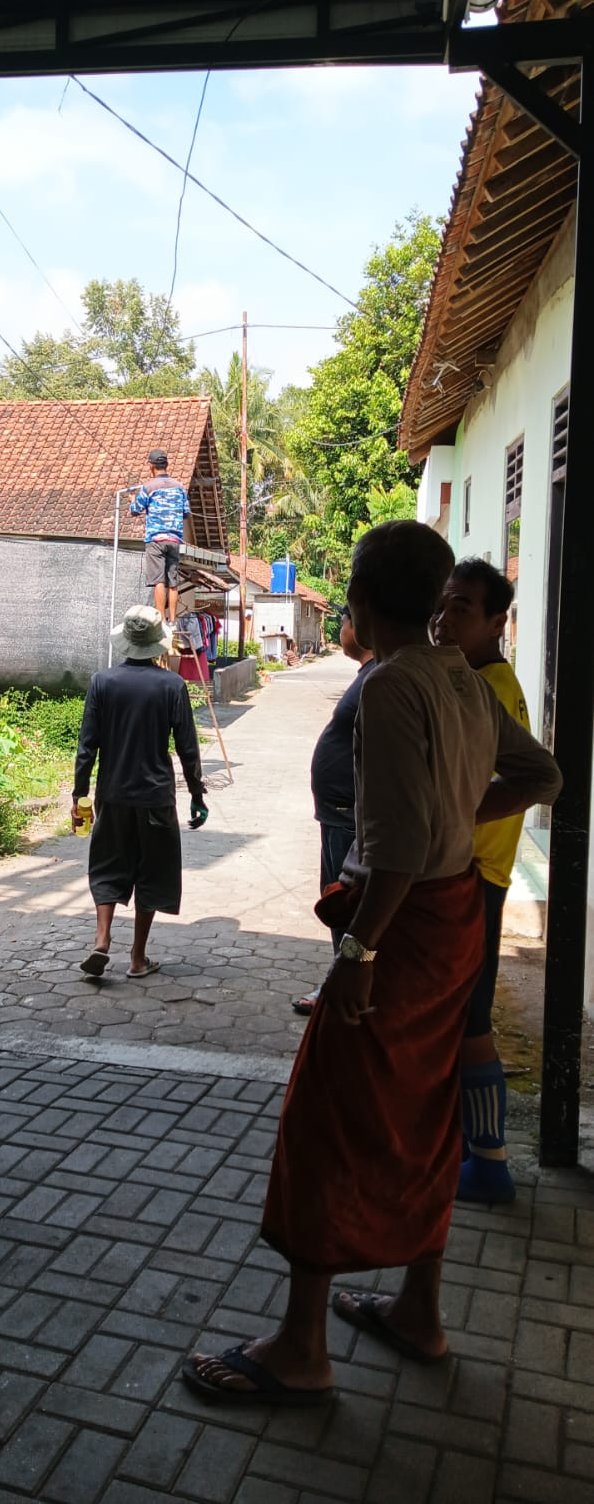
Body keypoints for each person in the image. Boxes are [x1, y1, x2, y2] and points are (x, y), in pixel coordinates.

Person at [182, 521, 560, 1408]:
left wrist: (357, 950)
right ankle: (419, 1310)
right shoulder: (462, 680)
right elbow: (541, 774)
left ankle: (301, 1347)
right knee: (426, 1112)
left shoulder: (392, 685)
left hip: (401, 930)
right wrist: (465, 816)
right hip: (454, 918)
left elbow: (390, 846)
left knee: (329, 1120)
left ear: (352, 599)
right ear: (435, 602)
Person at [434, 558, 528, 1205]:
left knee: (467, 1021)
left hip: (473, 879)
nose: (444, 618)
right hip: (471, 874)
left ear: (498, 621)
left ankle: (488, 1161)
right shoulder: (474, 679)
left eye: (462, 607)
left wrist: (449, 817)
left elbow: (520, 781)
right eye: (442, 603)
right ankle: (475, 1151)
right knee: (464, 1018)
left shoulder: (488, 689)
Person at [73, 605, 208, 980]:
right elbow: (187, 748)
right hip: (155, 797)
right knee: (150, 871)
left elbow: (87, 746)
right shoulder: (172, 686)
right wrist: (198, 794)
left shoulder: (102, 682)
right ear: (156, 645)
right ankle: (137, 957)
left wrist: (78, 796)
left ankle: (101, 940)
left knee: (108, 866)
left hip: (112, 795)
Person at [293, 605, 375, 1015]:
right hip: (340, 812)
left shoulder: (380, 677)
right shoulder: (369, 675)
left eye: (343, 621)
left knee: (346, 903)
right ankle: (343, 981)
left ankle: (346, 985)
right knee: (340, 902)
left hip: (349, 815)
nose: (340, 628)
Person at [129, 448, 191, 623]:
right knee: (173, 581)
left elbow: (135, 511)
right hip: (174, 539)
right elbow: (186, 513)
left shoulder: (148, 487)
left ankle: (161, 620)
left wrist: (132, 501)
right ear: (166, 465)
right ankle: (172, 620)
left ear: (151, 466)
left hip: (156, 540)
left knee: (158, 581)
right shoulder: (179, 487)